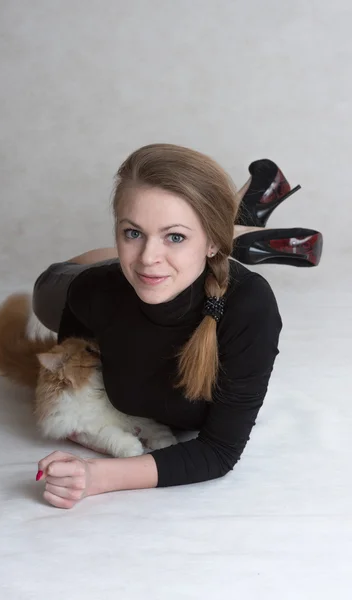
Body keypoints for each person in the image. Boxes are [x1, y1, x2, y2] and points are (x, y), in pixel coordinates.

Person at [32, 144, 323, 509]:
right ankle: (236, 222)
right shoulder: (93, 293)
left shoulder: (250, 308)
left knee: (151, 264)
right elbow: (73, 381)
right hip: (63, 286)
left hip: (212, 261)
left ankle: (232, 222)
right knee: (54, 281)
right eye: (132, 233)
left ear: (213, 243)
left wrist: (97, 476)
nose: (148, 258)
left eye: (175, 237)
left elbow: (217, 452)